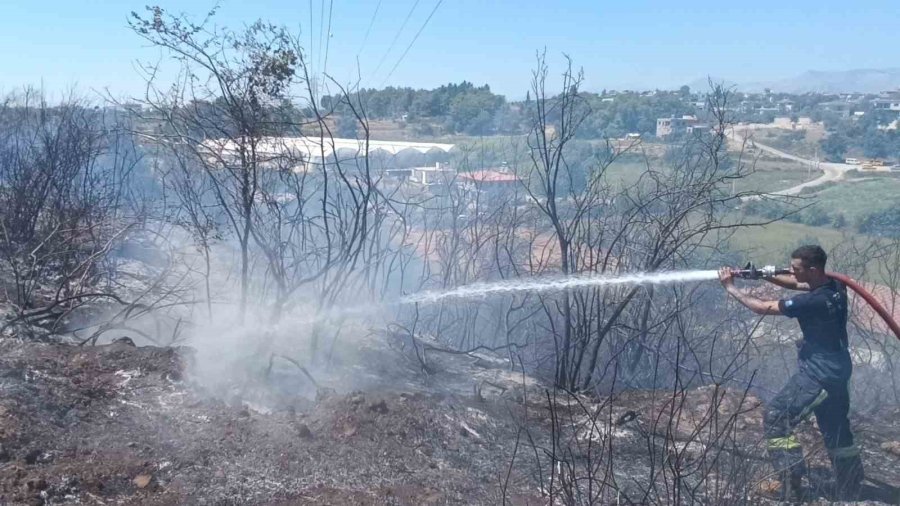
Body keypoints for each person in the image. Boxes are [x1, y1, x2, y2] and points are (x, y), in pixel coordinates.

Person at [718, 245, 863, 501]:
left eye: (796, 268)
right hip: (838, 369)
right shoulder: (834, 287)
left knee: (777, 417)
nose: (792, 272)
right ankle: (851, 485)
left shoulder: (814, 301)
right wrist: (761, 274)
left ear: (813, 269)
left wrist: (731, 287)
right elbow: (797, 285)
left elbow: (762, 307)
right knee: (836, 427)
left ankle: (791, 482)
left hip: (818, 374)